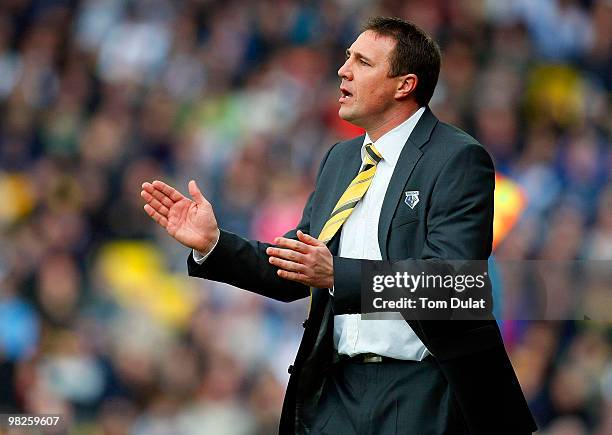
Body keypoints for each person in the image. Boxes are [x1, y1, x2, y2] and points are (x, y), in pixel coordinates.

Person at [141, 17, 537, 435]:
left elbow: (455, 287)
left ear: (404, 85)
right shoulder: (340, 160)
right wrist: (214, 244)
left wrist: (340, 275)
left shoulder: (457, 159)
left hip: (423, 389)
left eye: (362, 62)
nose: (342, 69)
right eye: (347, 57)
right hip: (337, 389)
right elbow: (298, 267)